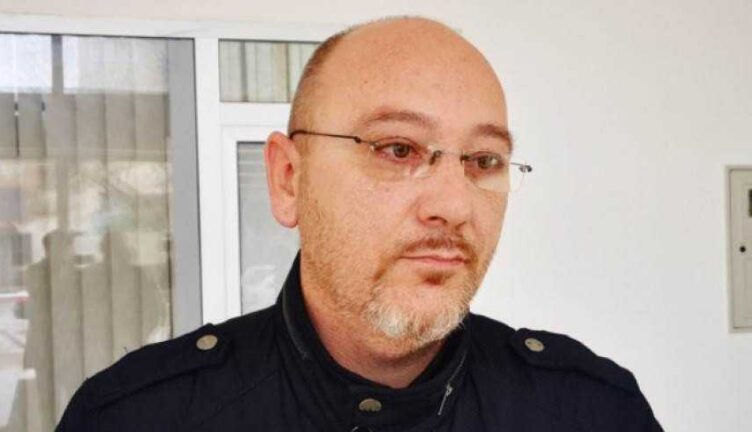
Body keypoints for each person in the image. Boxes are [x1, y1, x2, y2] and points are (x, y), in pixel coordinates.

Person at [57, 17, 662, 431]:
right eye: (398, 149)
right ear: (289, 179)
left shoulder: (592, 412)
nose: (454, 205)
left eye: (483, 161)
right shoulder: (138, 417)